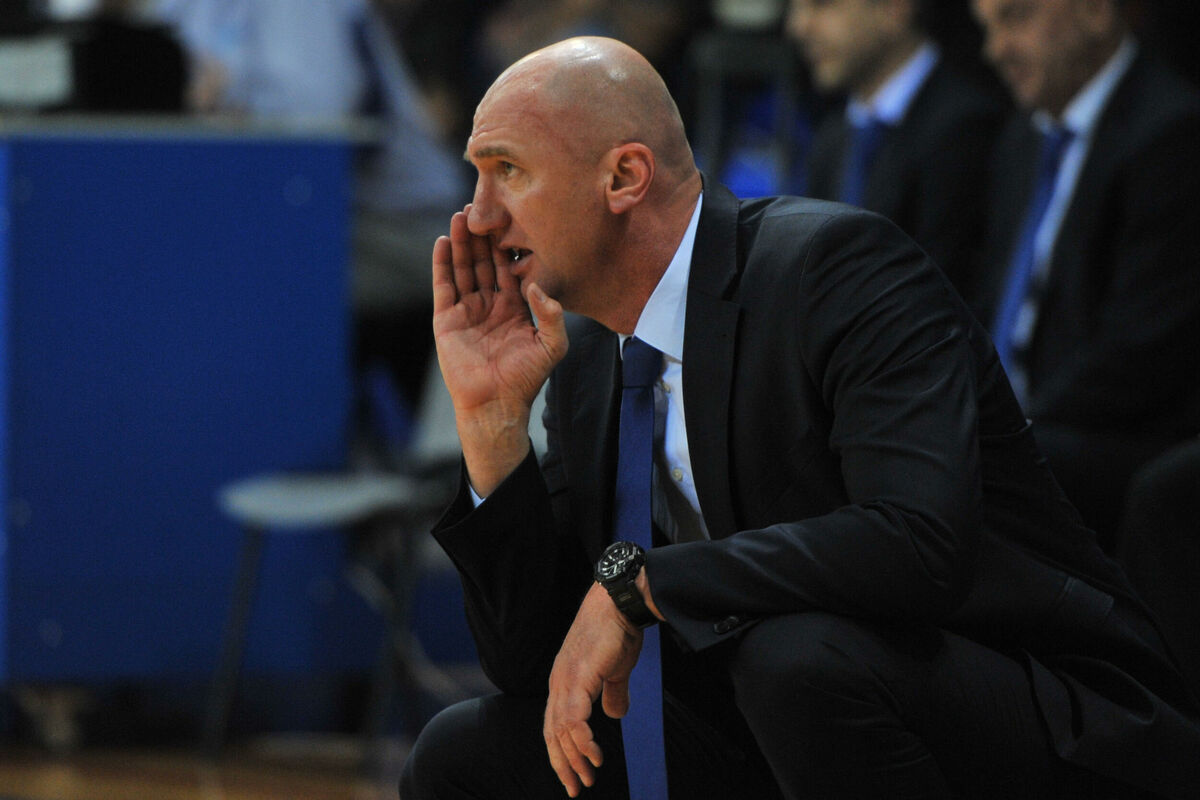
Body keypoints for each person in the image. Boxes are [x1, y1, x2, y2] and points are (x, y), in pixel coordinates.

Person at [401, 36, 1200, 799]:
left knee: (795, 660)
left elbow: (920, 543)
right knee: (465, 753)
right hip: (782, 723)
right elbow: (535, 666)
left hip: (1043, 709)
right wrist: (493, 426)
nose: (477, 217)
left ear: (624, 177)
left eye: (508, 172)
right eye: (477, 177)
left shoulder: (836, 270)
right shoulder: (587, 366)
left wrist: (644, 583)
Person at [971, 0, 1200, 550]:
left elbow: (1140, 353)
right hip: (1030, 425)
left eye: (1015, 18)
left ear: (1097, 11)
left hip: (1119, 439)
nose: (994, 50)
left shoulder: (1173, 133)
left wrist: (1003, 430)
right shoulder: (1021, 139)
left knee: (967, 471)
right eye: (986, 27)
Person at [788, 0, 1005, 301]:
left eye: (823, 4)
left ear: (895, 8)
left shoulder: (967, 128)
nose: (798, 26)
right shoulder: (832, 138)